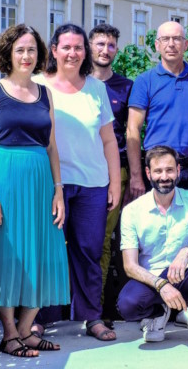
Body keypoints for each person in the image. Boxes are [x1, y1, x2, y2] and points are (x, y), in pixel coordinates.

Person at [0, 24, 69, 357]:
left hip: (41, 182)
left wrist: (58, 190)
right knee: (8, 256)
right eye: (20, 50)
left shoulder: (45, 94)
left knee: (43, 252)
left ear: (39, 55)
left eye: (32, 50)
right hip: (6, 180)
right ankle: (10, 334)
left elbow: (51, 146)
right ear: (8, 54)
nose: (26, 56)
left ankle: (26, 330)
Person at [32, 23, 121, 342]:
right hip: (49, 184)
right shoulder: (38, 85)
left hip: (92, 184)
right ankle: (38, 318)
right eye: (66, 47)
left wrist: (115, 183)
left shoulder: (96, 88)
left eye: (78, 47)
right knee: (46, 252)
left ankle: (91, 317)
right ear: (54, 50)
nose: (73, 53)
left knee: (89, 251)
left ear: (85, 52)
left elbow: (108, 140)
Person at [117, 146, 188, 351]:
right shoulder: (132, 211)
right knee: (127, 305)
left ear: (178, 170)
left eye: (169, 170)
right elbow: (129, 266)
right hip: (153, 281)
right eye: (158, 171)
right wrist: (161, 285)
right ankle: (158, 313)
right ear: (148, 173)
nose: (164, 177)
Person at [127, 21, 188, 197]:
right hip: (157, 169)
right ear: (157, 45)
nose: (171, 44)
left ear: (185, 44)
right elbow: (133, 129)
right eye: (165, 39)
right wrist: (135, 176)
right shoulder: (145, 81)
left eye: (177, 39)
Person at [89, 23, 133, 318]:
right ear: (89, 47)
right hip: (80, 171)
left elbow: (132, 133)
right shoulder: (77, 83)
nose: (106, 50)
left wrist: (133, 176)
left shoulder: (126, 86)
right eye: (100, 44)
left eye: (111, 45)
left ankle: (97, 306)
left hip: (116, 172)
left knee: (103, 240)